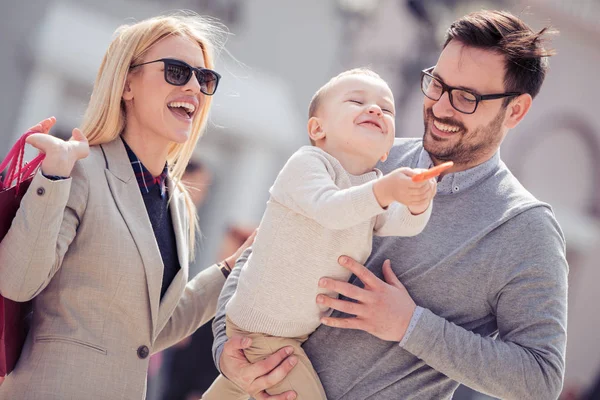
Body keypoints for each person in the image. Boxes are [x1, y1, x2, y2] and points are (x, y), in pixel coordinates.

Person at [212, 10, 568, 400]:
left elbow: (541, 379)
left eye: (467, 97)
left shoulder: (524, 228)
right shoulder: (365, 156)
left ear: (514, 110)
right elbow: (261, 252)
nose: (441, 107)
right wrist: (224, 352)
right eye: (437, 84)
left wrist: (409, 325)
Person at [0, 14, 253, 400]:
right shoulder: (78, 172)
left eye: (203, 79)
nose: (193, 87)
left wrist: (230, 268)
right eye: (176, 71)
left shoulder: (179, 203)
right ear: (128, 83)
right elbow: (17, 283)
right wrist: (52, 179)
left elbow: (147, 335)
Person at [203, 68, 437, 399]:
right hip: (260, 329)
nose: (374, 109)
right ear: (317, 128)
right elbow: (331, 209)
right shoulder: (307, 164)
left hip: (291, 334)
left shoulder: (369, 188)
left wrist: (417, 203)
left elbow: (403, 224)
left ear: (387, 149)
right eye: (357, 101)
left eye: (386, 109)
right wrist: (385, 189)